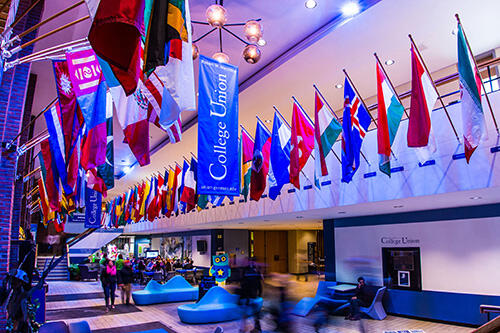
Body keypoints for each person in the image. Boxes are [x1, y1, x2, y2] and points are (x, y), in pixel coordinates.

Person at [238, 259, 263, 332]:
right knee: (254, 313)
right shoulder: (255, 272)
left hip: (248, 296)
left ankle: (243, 329)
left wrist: (241, 297)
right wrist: (259, 293)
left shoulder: (246, 272)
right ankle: (257, 327)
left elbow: (244, 285)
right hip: (252, 295)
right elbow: (259, 284)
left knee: (246, 313)